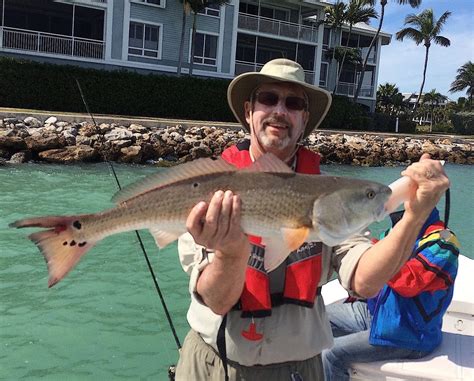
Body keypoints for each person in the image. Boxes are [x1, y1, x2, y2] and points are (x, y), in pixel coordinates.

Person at [174, 58, 450, 381]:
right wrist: (231, 252)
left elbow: (364, 280)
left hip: (299, 371)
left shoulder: (329, 197)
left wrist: (414, 219)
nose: (279, 110)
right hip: (213, 367)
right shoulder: (211, 192)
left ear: (304, 119)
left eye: (293, 103)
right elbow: (217, 301)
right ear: (248, 110)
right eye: (268, 98)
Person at [322, 207, 460, 381]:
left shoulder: (444, 241)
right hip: (375, 315)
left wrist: (374, 256)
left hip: (408, 334)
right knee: (314, 320)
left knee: (332, 355)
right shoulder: (392, 233)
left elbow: (409, 282)